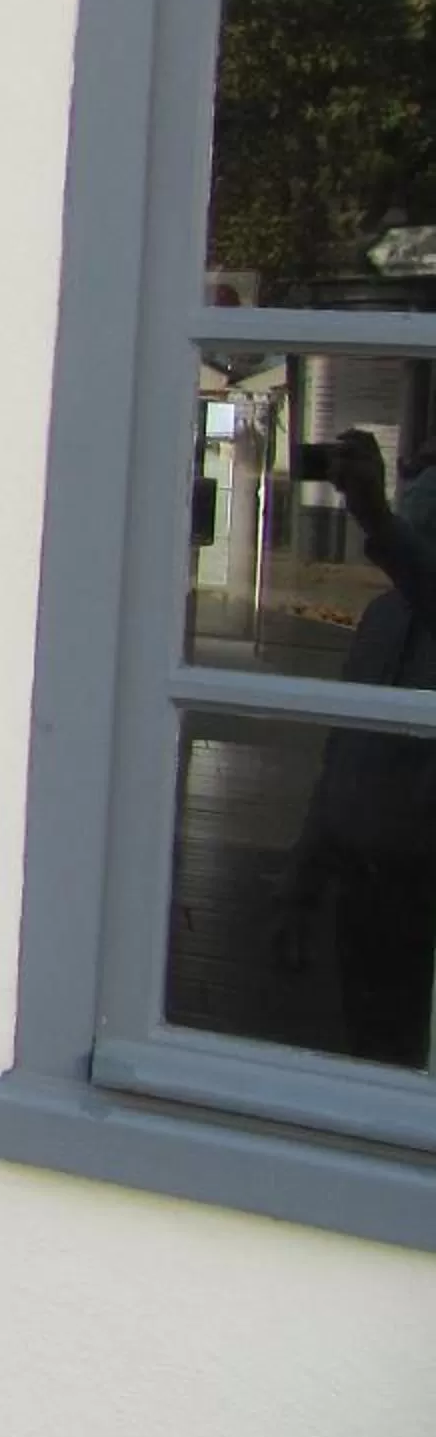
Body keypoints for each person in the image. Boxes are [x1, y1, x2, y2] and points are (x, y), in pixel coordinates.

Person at [273, 430, 436, 1067]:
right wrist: (302, 880)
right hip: (362, 893)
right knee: (370, 1057)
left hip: (423, 889)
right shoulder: (382, 619)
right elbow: (344, 755)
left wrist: (376, 517)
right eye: (418, 464)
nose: (421, 477)